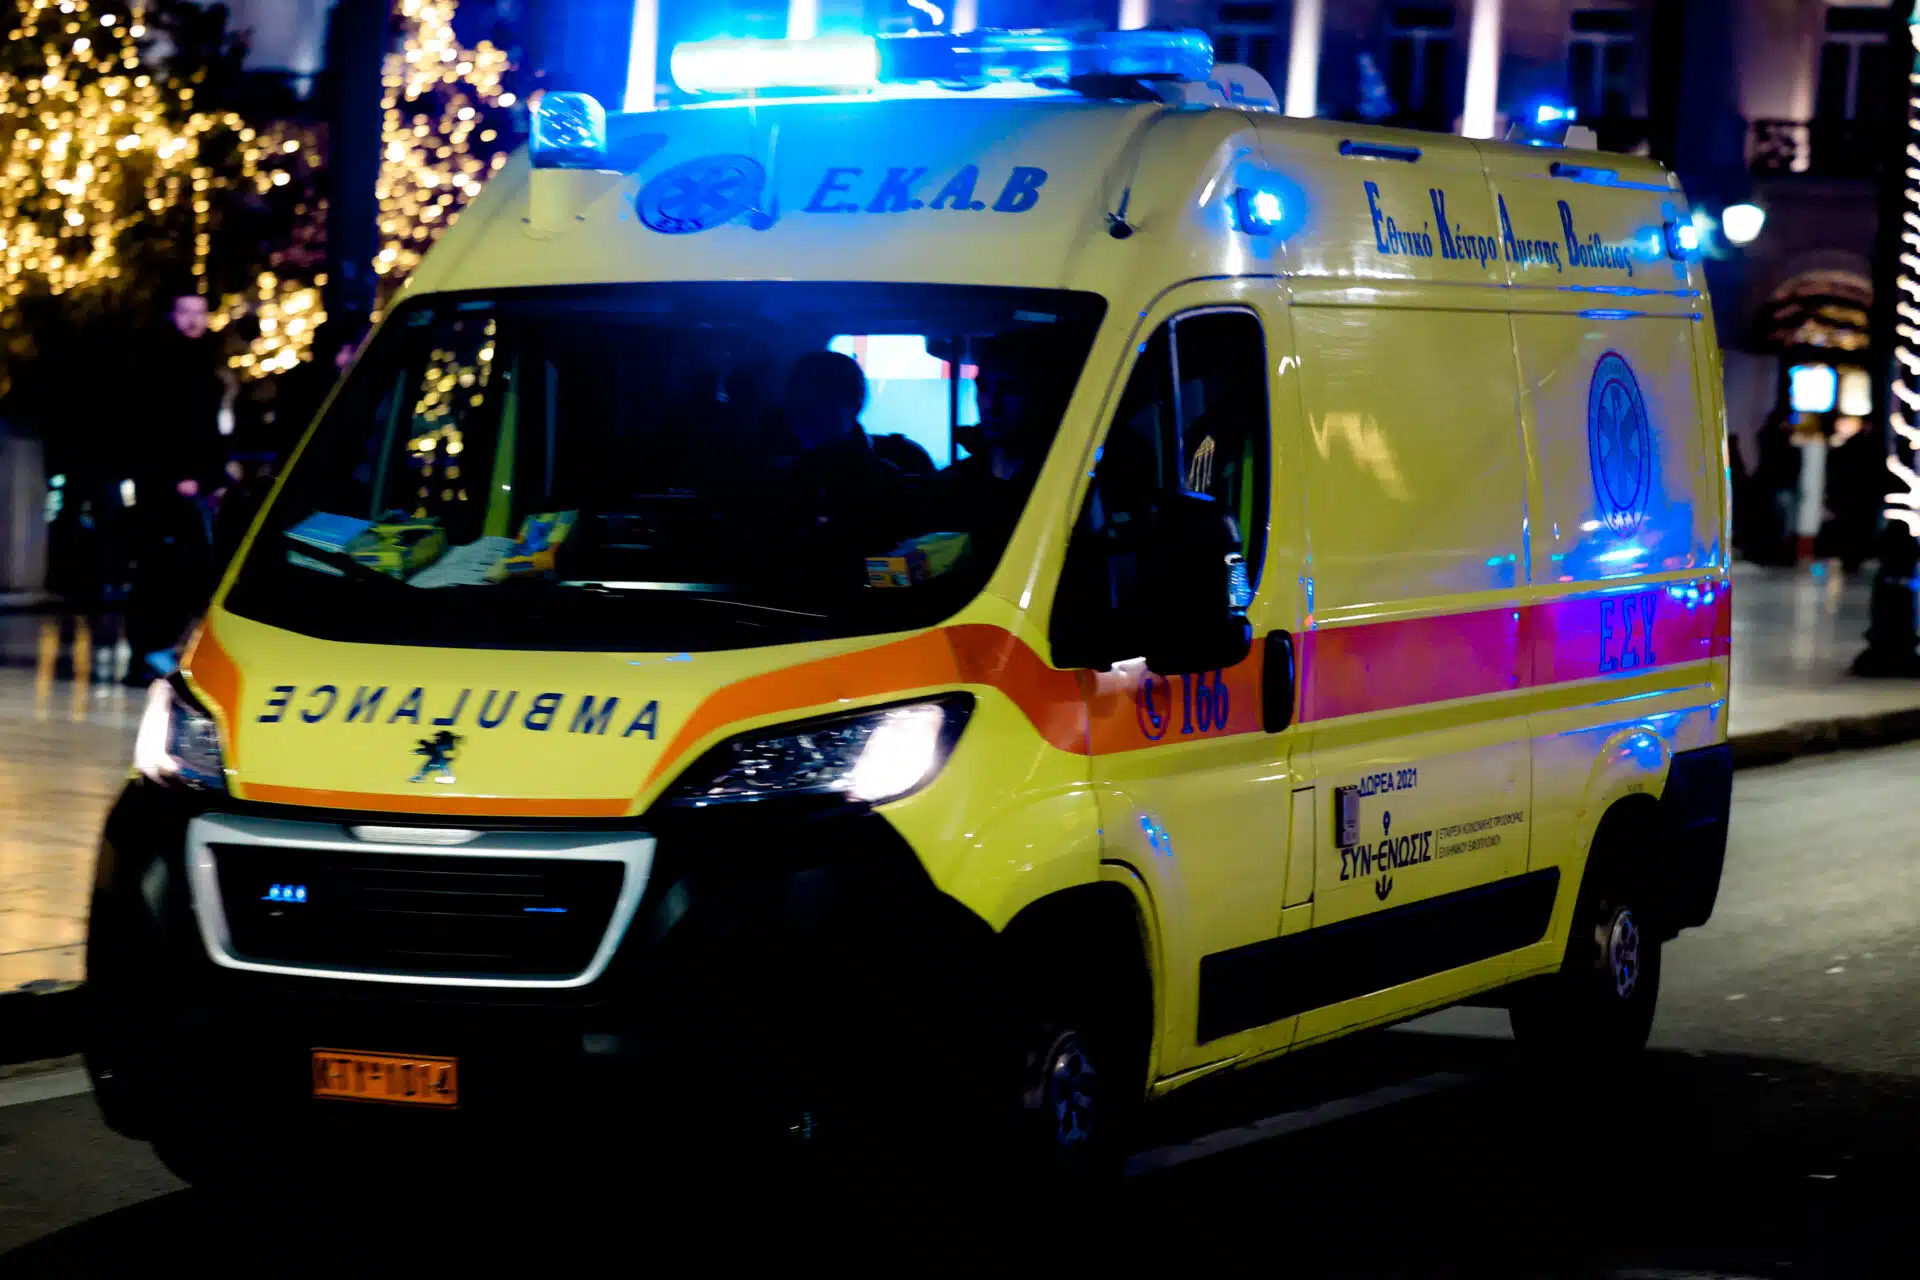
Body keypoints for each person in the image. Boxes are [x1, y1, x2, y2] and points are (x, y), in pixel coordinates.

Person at [122, 288, 226, 684]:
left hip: (190, 485)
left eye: (200, 312)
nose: (194, 320)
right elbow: (155, 427)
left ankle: (158, 646)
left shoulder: (204, 365)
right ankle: (150, 649)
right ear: (173, 315)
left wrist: (212, 478)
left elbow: (208, 430)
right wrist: (177, 476)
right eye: (186, 312)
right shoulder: (160, 364)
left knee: (186, 568)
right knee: (162, 567)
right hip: (166, 488)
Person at [751, 350, 911, 593]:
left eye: (820, 401)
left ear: (854, 403)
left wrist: (847, 580)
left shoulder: (888, 483)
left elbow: (904, 574)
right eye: (798, 403)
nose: (805, 415)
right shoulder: (776, 478)